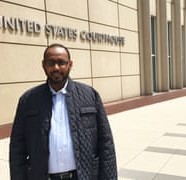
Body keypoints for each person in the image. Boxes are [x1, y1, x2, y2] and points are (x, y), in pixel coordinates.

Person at [9, 43, 117, 180]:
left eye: (61, 63)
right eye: (51, 63)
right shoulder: (28, 100)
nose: (56, 67)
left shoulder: (89, 95)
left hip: (83, 176)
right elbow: (17, 148)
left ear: (70, 64)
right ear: (43, 65)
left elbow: (106, 143)